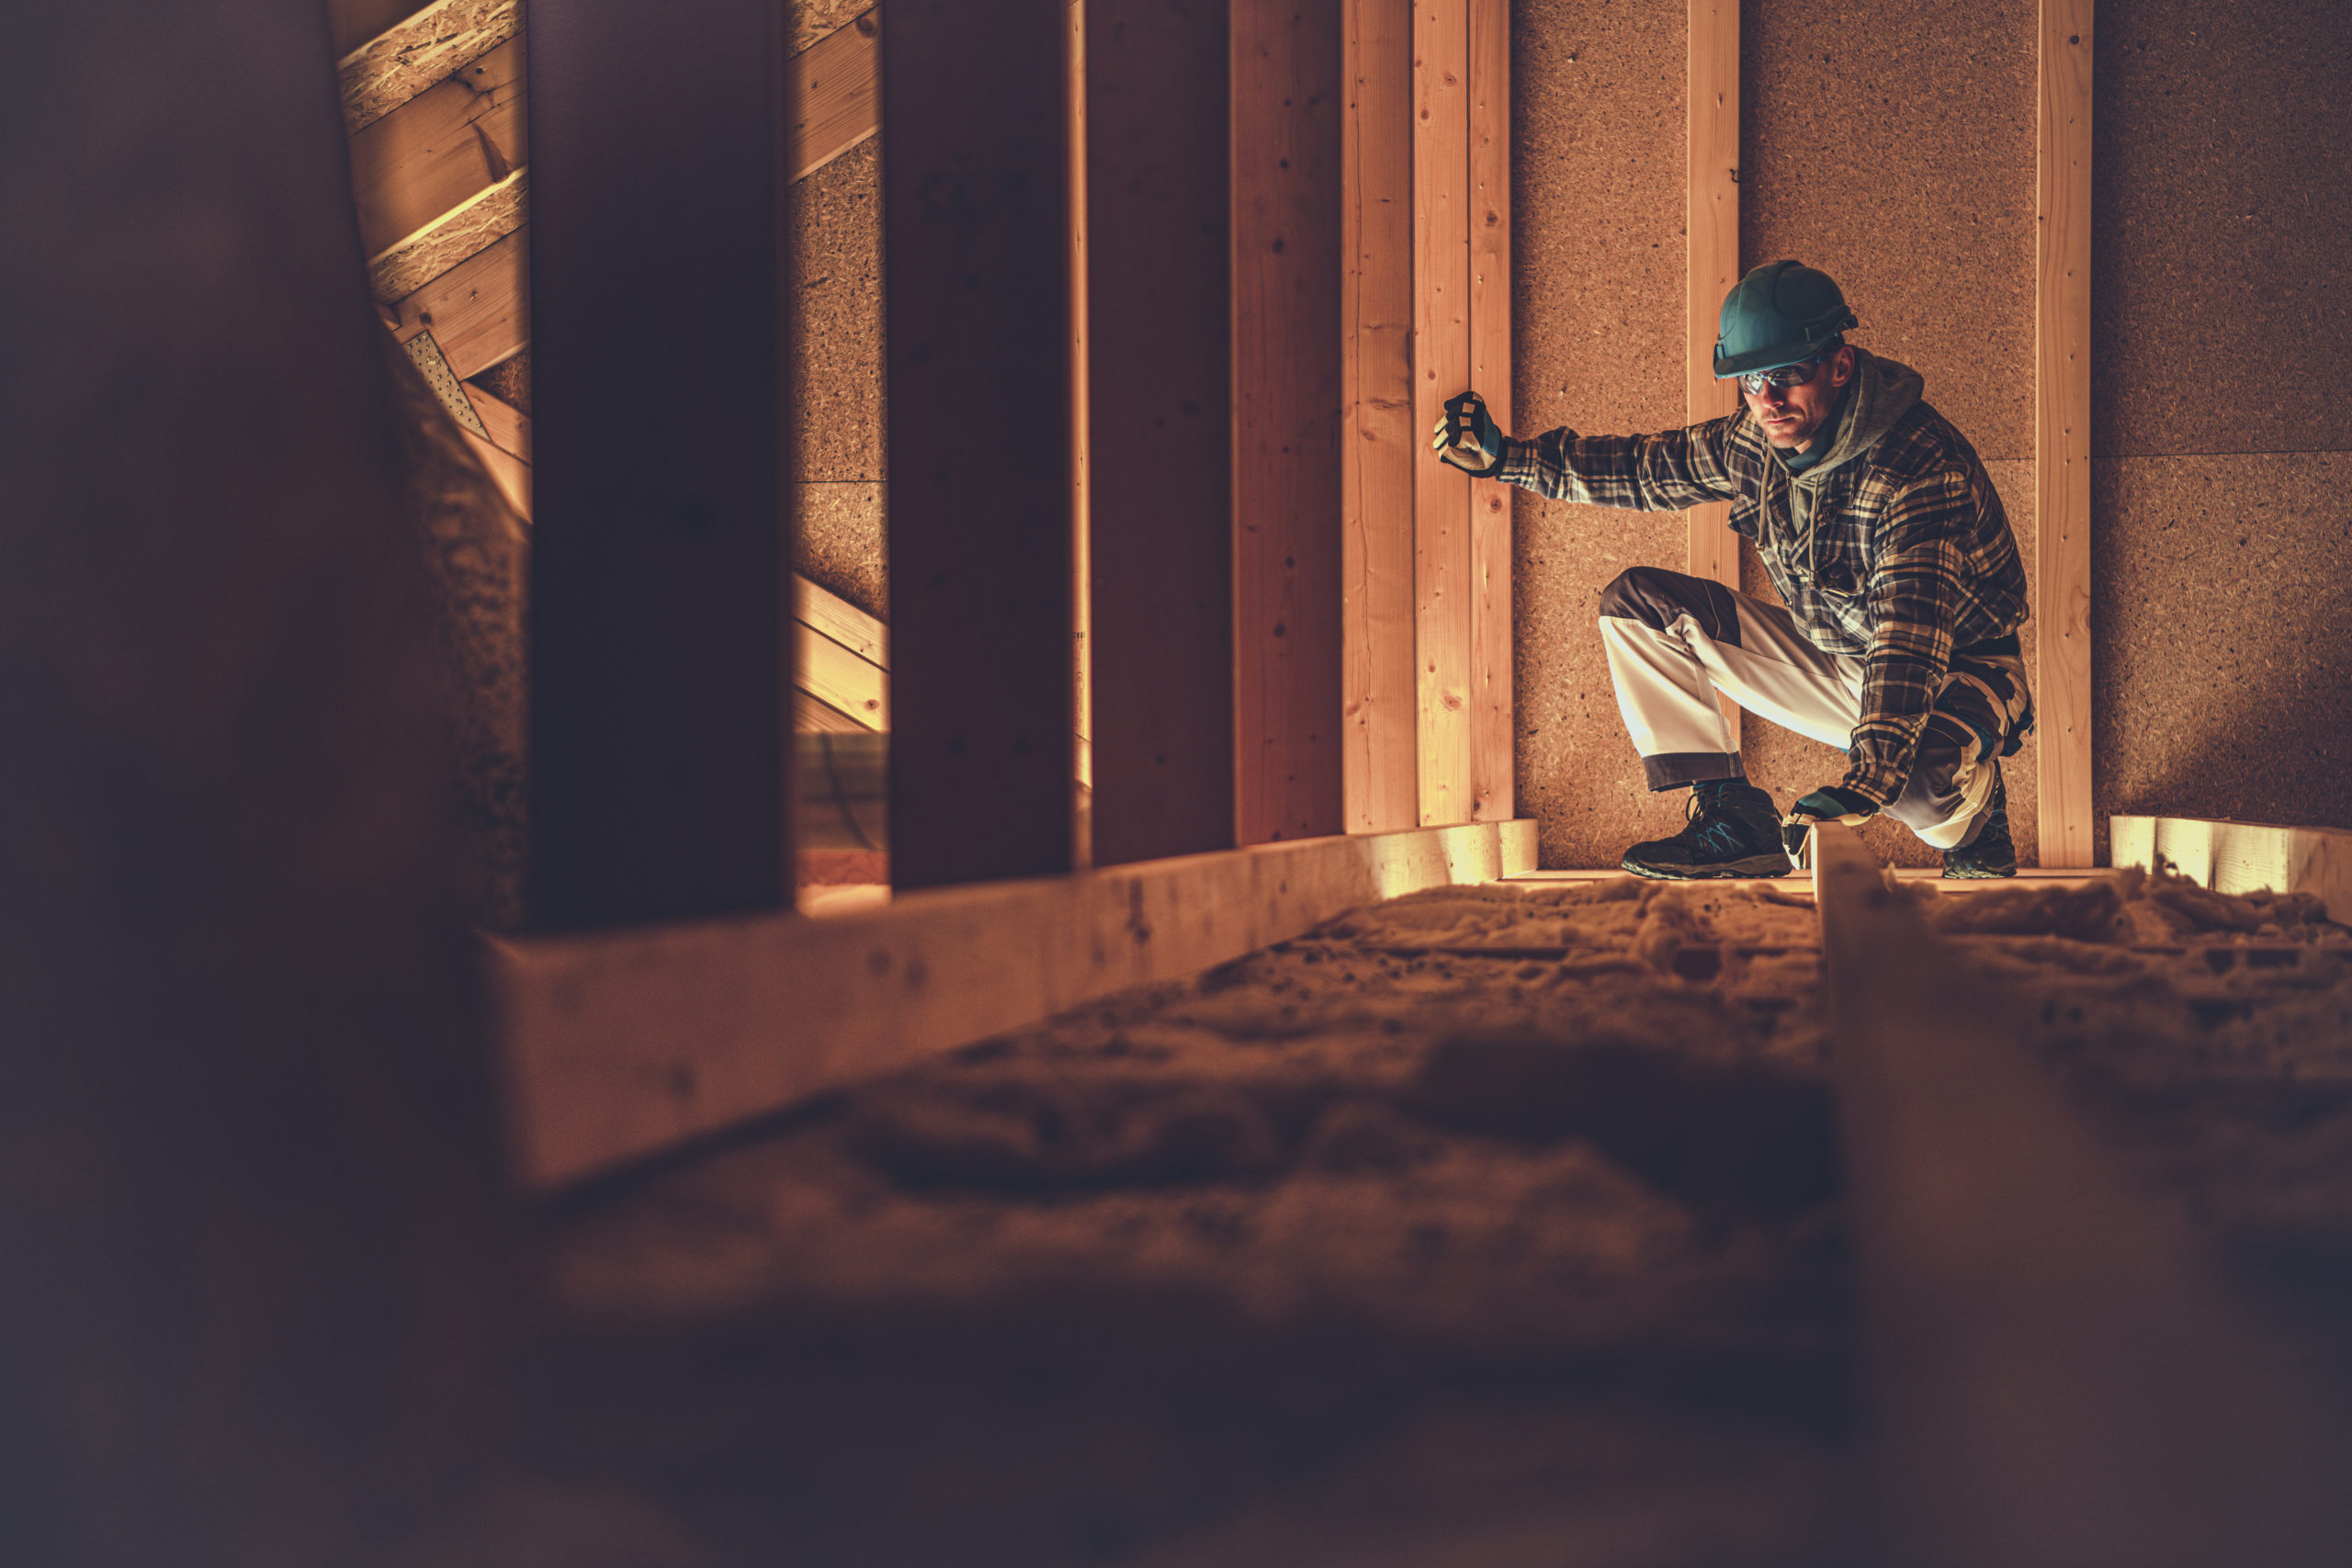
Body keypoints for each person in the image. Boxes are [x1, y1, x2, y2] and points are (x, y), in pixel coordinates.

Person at [1433, 259, 2031, 879]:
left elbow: (1909, 642)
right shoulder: (1756, 440)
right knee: (1637, 605)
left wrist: (1866, 782)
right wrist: (1505, 458)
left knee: (1913, 784)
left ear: (1840, 365)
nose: (1767, 400)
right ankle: (1736, 820)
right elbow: (1644, 469)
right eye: (1749, 381)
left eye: (1787, 375)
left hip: (1955, 670)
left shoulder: (1918, 471)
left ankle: (1979, 821)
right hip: (1838, 654)